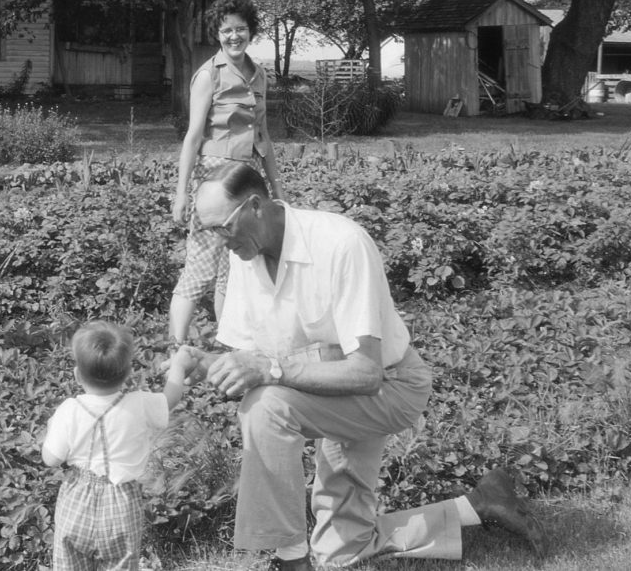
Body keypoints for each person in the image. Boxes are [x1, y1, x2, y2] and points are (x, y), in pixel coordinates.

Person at [182, 163, 545, 570]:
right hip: (323, 386)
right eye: (209, 230)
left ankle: (290, 559)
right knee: (341, 552)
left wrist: (272, 372)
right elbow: (254, 360)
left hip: (388, 386)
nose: (219, 241)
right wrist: (210, 364)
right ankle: (479, 505)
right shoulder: (245, 256)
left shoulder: (340, 243)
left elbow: (365, 373)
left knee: (265, 407)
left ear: (255, 206)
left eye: (222, 227)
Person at [169, 0, 283, 344]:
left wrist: (277, 189)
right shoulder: (208, 76)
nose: (235, 36)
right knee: (201, 265)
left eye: (241, 29)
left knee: (230, 270)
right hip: (213, 178)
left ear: (251, 32)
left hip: (246, 178)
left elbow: (263, 137)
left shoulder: (258, 74)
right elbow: (191, 137)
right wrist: (181, 193)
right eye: (227, 31)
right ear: (217, 35)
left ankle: (227, 343)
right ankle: (176, 348)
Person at [42, 321, 198, 571]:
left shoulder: (69, 410)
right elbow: (171, 398)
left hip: (76, 502)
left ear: (77, 375)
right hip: (122, 503)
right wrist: (178, 366)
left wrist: (51, 429)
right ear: (128, 374)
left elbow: (50, 459)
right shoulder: (139, 404)